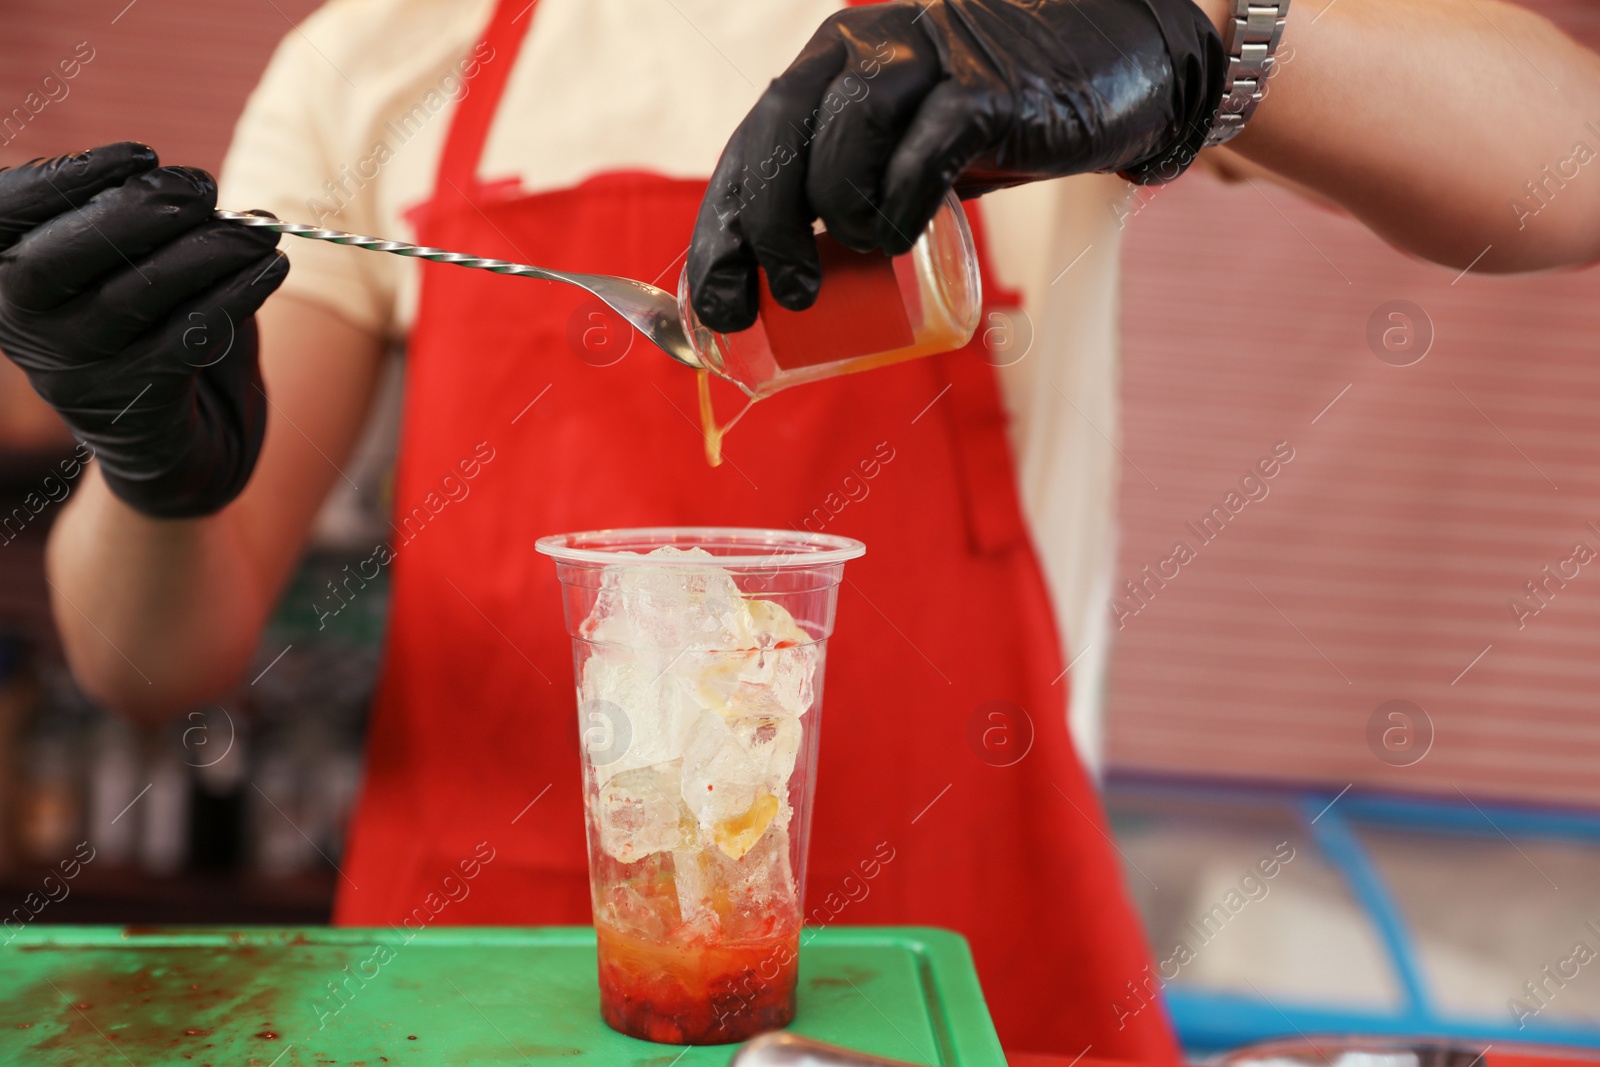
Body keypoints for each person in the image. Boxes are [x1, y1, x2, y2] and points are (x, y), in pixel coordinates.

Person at [3, 0, 1598, 1056]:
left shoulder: (1020, 16)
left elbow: (1571, 159)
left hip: (964, 985)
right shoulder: (390, 49)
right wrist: (155, 466)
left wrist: (1192, 30)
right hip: (487, 991)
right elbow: (156, 657)